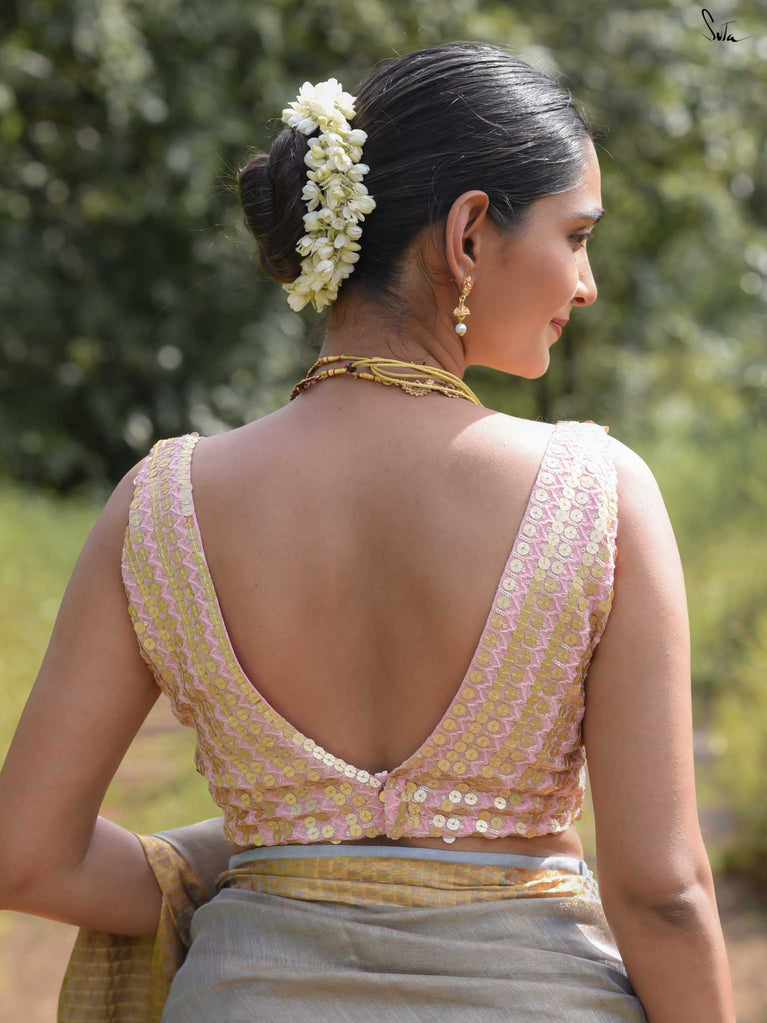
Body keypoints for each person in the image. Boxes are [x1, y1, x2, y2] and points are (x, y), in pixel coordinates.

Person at [0, 39, 736, 1023]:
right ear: (467, 234)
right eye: (575, 236)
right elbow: (662, 894)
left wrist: (241, 873)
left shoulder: (161, 504)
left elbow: (27, 855)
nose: (585, 282)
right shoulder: (595, 497)